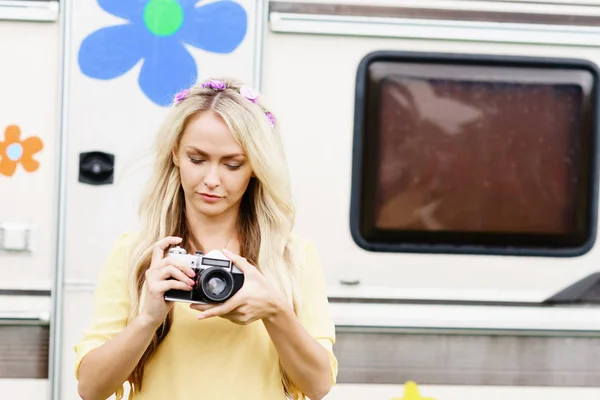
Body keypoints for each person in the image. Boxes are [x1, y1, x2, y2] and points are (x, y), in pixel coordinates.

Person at [73, 77, 337, 400]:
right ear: (175, 154)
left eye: (232, 164)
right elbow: (90, 388)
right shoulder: (137, 252)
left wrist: (275, 311)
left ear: (255, 166)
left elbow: (319, 385)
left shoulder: (291, 255)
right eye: (197, 159)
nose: (212, 180)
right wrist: (148, 319)